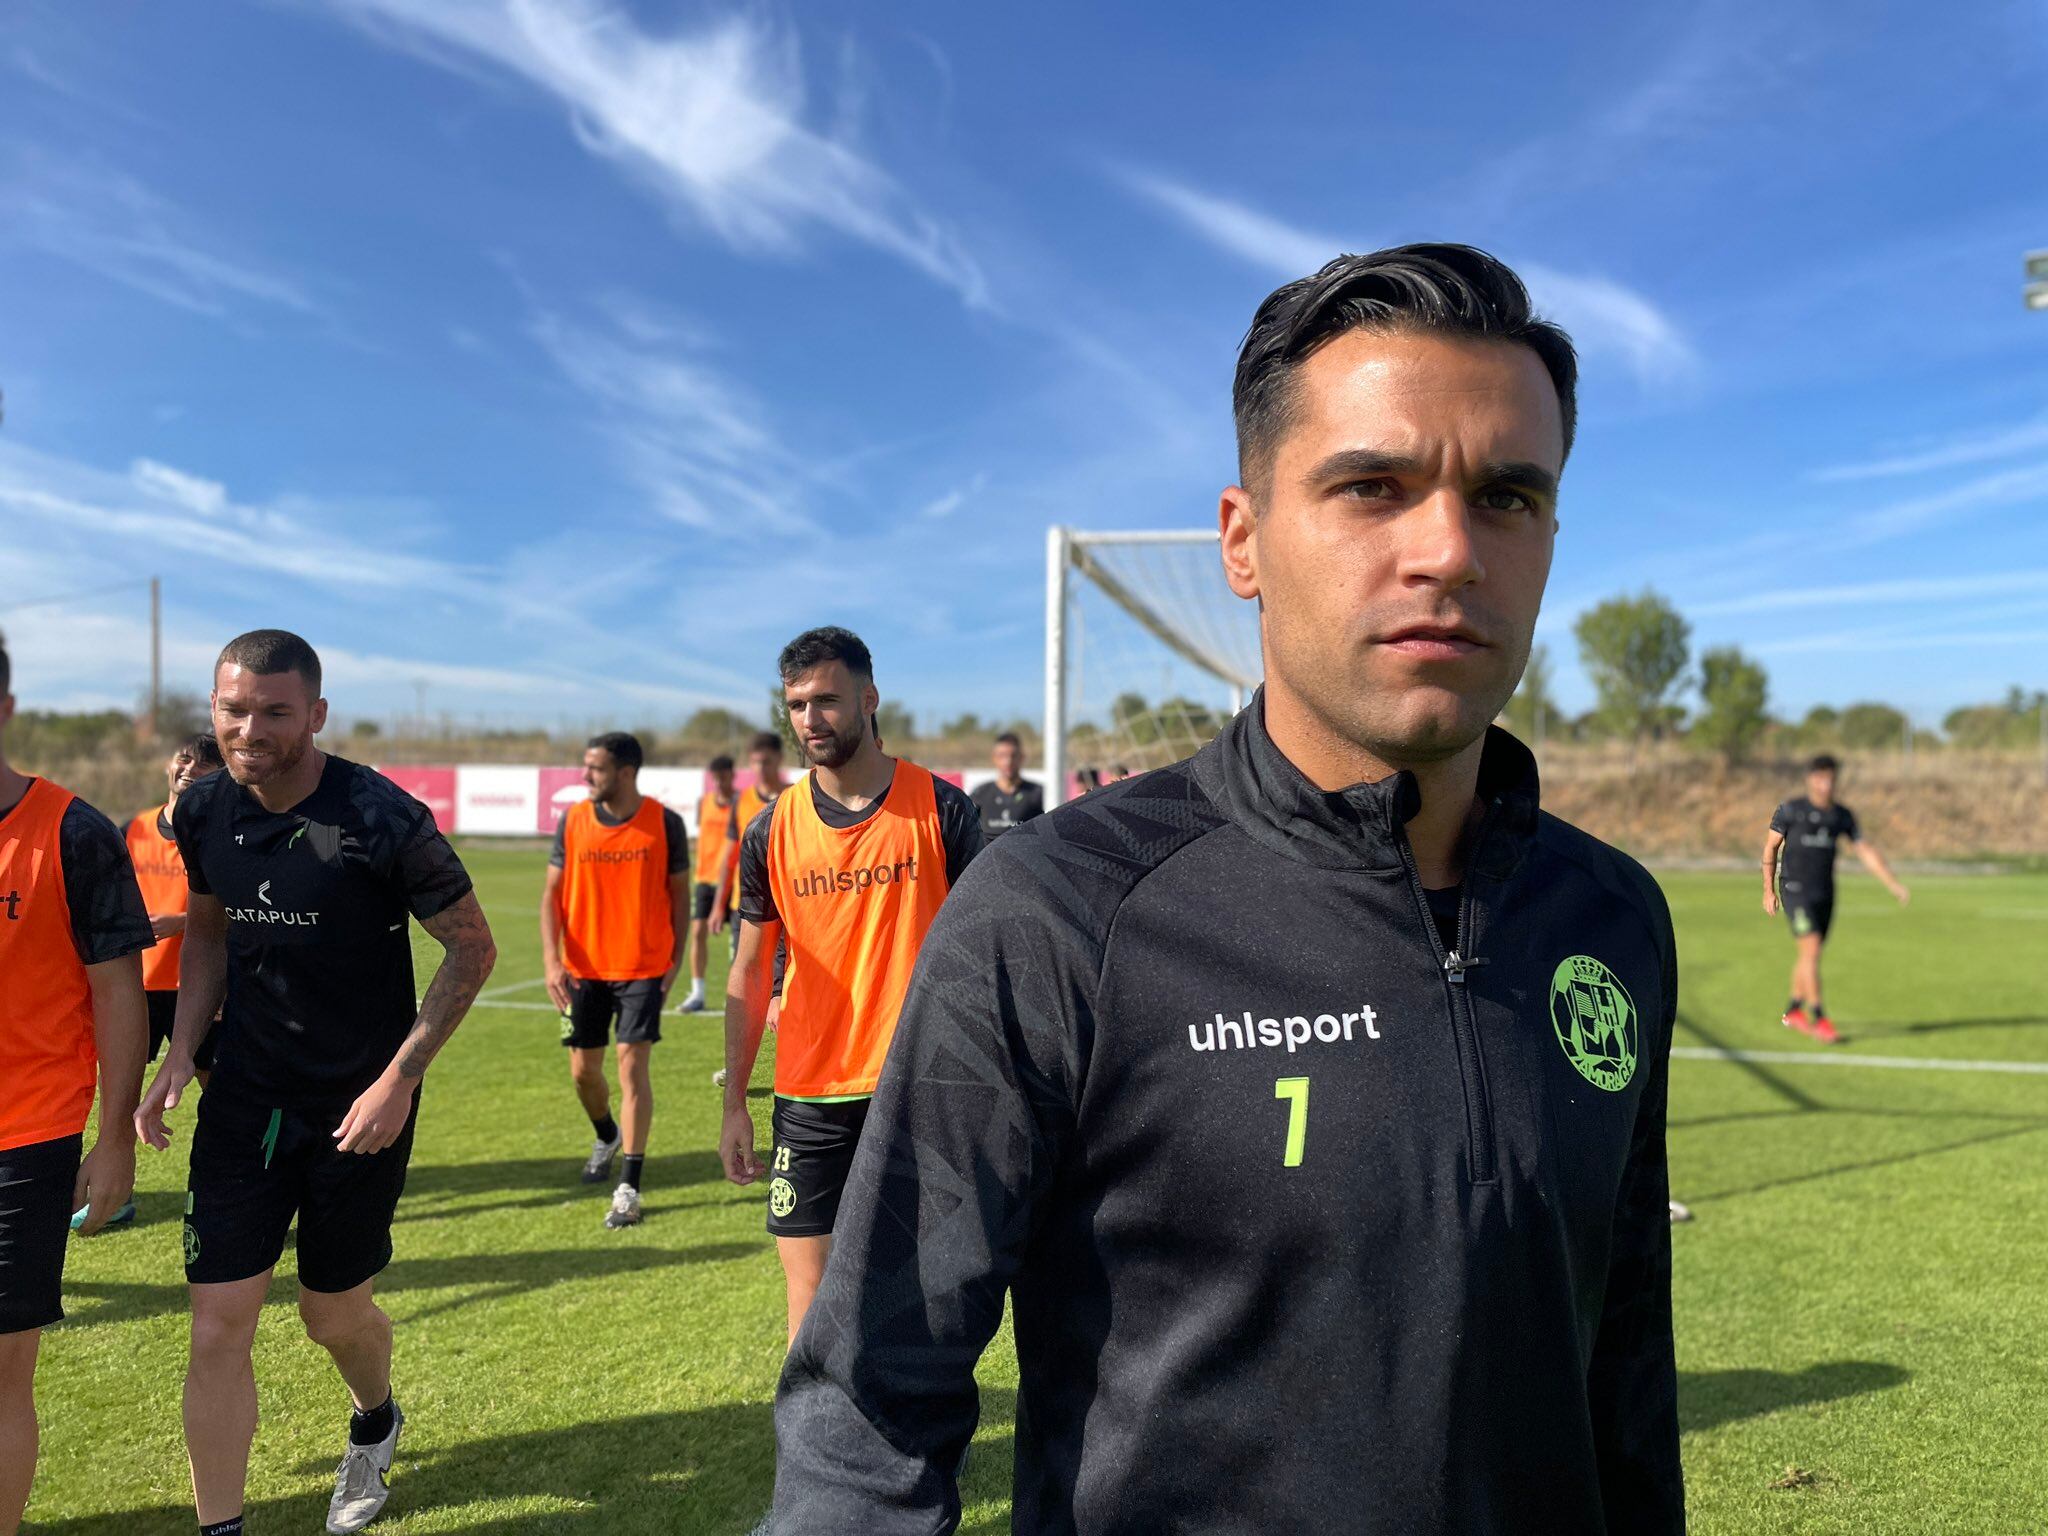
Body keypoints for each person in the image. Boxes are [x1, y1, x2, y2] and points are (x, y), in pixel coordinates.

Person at [773, 246, 1684, 1532]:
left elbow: (1622, 1368)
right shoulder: (1057, 913)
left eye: (1505, 497)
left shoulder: (1611, 917)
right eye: (1371, 487)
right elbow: (867, 1419)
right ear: (1242, 542)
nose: (1448, 550)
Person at [135, 629, 497, 1536]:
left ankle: (375, 1417)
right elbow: (210, 930)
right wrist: (182, 1048)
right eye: (233, 709)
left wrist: (399, 1080)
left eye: (274, 712)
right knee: (217, 1324)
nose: (249, 729)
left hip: (357, 1107)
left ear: (316, 714)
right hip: (245, 1099)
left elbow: (471, 947)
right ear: (213, 707)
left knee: (332, 1315)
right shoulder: (202, 809)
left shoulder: (381, 817)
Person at [719, 627, 982, 1345]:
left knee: (921, 1287)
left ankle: (918, 1417)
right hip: (809, 1092)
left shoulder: (943, 810)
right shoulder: (770, 830)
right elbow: (749, 970)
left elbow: (981, 955)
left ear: (869, 699)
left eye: (827, 700)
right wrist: (735, 1101)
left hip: (919, 1084)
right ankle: (813, 1421)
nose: (811, 719)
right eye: (797, 705)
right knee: (808, 1286)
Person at [0, 631, 152, 1536]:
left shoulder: (72, 832)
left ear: (6, 708)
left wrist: (115, 1137)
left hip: (24, 1140)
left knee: (1, 1371)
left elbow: (118, 992)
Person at [78, 732, 227, 1235]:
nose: (189, 769)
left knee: (221, 1098)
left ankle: (232, 1198)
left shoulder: (226, 832)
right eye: (184, 759)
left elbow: (245, 910)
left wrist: (180, 921)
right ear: (168, 765)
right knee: (119, 1094)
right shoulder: (133, 829)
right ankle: (115, 1194)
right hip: (136, 986)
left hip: (200, 989)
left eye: (204, 765)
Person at [540, 732, 690, 1227]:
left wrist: (675, 960)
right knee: (583, 1073)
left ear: (626, 773)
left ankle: (629, 1185)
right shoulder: (573, 821)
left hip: (642, 968)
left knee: (632, 1070)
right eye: (586, 766)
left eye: (596, 768)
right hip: (581, 971)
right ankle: (607, 1135)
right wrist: (551, 960)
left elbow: (680, 898)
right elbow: (551, 896)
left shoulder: (664, 823)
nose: (586, 776)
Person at [1762, 753, 1908, 1043]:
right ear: (1810, 780)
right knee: (1811, 949)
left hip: (1824, 892)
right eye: (1820, 779)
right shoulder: (1790, 810)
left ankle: (1794, 1010)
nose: (1825, 785)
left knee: (1809, 953)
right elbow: (1770, 847)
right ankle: (1820, 1018)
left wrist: (1892, 883)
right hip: (1795, 889)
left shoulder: (1841, 816)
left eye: (1830, 779)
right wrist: (1768, 890)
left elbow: (1864, 850)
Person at [711, 732, 791, 1090]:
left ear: (778, 760)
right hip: (746, 910)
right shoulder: (741, 803)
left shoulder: (794, 799)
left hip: (786, 909)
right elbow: (729, 856)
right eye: (755, 762)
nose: (760, 768)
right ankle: (738, 1066)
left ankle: (792, 1059)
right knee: (746, 982)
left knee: (787, 985)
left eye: (766, 761)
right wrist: (718, 903)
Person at [678, 753, 739, 1013]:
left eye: (723, 778)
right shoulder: (703, 803)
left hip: (734, 880)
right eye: (715, 779)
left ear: (732, 776)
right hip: (704, 879)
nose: (719, 783)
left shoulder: (740, 804)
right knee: (697, 933)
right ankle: (697, 993)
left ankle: (737, 994)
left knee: (737, 941)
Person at [968, 731, 1044, 840]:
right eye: (1002, 756)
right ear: (994, 758)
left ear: (1022, 757)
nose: (1008, 761)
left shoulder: (1038, 794)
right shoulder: (980, 794)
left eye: (1013, 755)